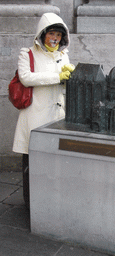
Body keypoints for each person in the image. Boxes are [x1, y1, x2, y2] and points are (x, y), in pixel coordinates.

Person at [12, 12, 75, 208]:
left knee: (55, 161)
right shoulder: (27, 53)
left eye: (58, 35)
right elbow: (26, 78)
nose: (55, 39)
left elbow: (64, 83)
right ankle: (30, 202)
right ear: (43, 34)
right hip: (35, 115)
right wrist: (58, 77)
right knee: (32, 161)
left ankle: (53, 200)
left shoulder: (63, 55)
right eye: (51, 34)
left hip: (58, 114)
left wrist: (70, 78)